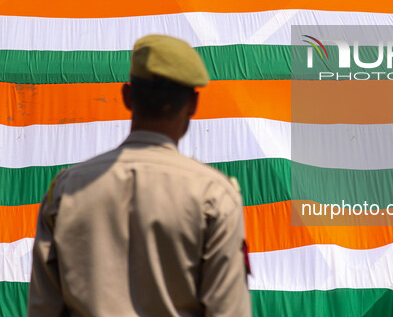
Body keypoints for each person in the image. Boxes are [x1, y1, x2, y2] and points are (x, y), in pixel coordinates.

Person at [28, 34, 252, 317]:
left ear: (127, 96)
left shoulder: (65, 191)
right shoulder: (214, 196)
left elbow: (43, 308)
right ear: (193, 105)